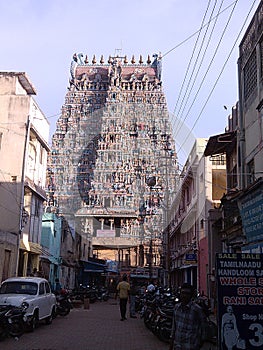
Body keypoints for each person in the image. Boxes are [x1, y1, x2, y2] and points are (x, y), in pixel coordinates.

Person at [169, 283, 207, 350]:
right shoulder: (176, 308)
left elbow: (203, 328)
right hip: (178, 346)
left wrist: (199, 344)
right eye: (183, 293)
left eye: (187, 293)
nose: (184, 295)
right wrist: (171, 345)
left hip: (191, 346)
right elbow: (174, 328)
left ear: (191, 295)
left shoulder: (197, 310)